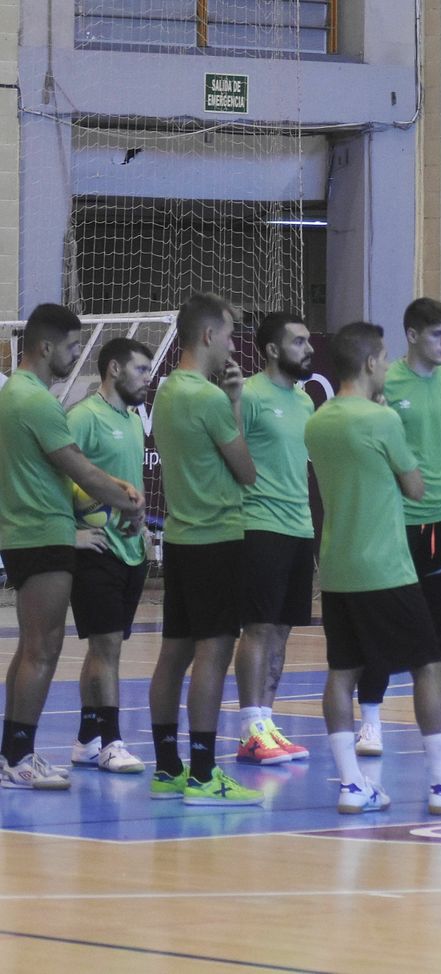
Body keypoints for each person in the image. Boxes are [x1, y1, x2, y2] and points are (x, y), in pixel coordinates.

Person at [305, 322, 441, 815]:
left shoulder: (318, 421)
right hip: (385, 567)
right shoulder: (381, 420)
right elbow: (416, 488)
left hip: (336, 568)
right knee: (429, 665)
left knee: (342, 673)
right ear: (372, 363)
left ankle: (352, 784)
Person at [1, 305, 144, 789]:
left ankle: (12, 752)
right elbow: (80, 470)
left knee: (30, 650)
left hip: (29, 532)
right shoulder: (36, 401)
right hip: (42, 532)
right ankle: (19, 757)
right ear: (45, 347)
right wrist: (129, 504)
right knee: (43, 650)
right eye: (71, 347)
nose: (76, 356)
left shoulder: (15, 395)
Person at [148, 292, 261, 805]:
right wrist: (233, 403)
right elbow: (246, 470)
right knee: (213, 654)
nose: (234, 343)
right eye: (231, 333)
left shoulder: (169, 390)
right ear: (209, 335)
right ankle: (202, 774)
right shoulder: (209, 398)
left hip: (179, 539)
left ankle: (168, 767)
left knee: (174, 654)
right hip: (216, 537)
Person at [357, 298, 441, 755]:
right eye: (436, 334)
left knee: (439, 625)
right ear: (411, 335)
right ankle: (370, 721)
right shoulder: (386, 383)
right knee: (382, 620)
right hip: (395, 522)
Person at [67, 338, 156, 775]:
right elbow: (53, 480)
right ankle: (111, 742)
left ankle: (86, 739)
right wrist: (72, 533)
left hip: (129, 551)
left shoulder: (133, 421)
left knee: (106, 648)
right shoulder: (83, 418)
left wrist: (139, 526)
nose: (148, 377)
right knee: (107, 651)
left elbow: (125, 488)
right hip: (94, 553)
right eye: (141, 369)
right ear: (115, 369)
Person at [233, 311, 317, 766]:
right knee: (259, 627)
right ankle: (249, 726)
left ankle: (266, 720)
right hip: (259, 523)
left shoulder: (304, 401)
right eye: (299, 342)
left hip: (299, 525)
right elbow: (228, 455)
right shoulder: (248, 394)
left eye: (308, 341)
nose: (308, 349)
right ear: (271, 349)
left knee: (282, 630)